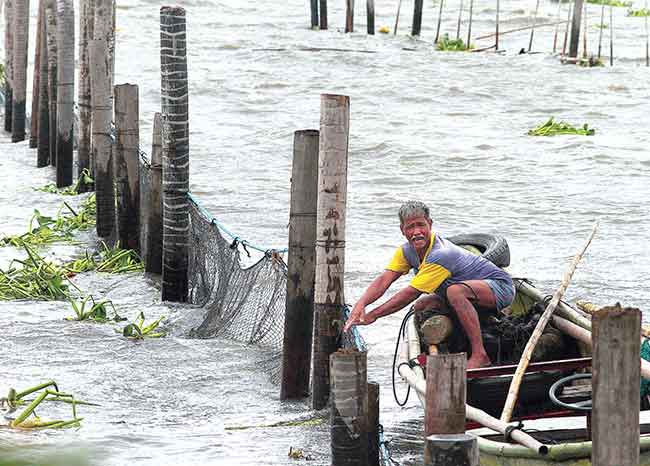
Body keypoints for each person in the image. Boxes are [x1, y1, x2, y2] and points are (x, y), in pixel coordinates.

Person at [343, 201, 515, 369]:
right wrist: (361, 304)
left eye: (421, 225)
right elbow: (384, 279)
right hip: (463, 291)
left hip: (499, 287)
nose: (417, 232)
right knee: (422, 305)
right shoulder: (406, 252)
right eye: (410, 227)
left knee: (455, 292)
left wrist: (374, 315)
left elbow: (409, 294)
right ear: (402, 230)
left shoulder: (441, 254)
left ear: (430, 224)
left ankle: (480, 354)